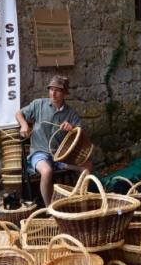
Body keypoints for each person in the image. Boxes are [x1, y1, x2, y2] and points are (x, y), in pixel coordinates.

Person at [15, 75, 93, 206]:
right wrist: (24, 124)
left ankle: (78, 200)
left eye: (57, 90)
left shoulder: (71, 113)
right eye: (51, 89)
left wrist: (72, 128)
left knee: (88, 166)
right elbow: (19, 114)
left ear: (65, 93)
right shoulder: (38, 104)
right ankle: (50, 210)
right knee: (47, 171)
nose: (53, 93)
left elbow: (82, 135)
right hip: (40, 153)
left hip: (60, 155)